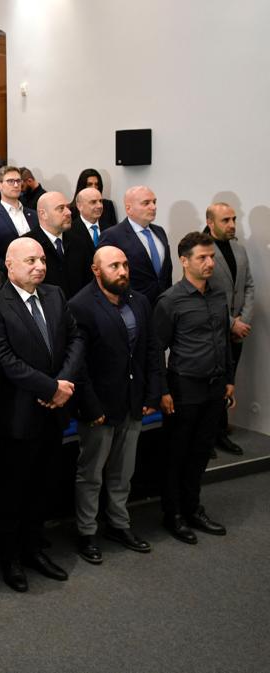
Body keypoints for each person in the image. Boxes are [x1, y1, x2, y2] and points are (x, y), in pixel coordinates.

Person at [0, 237, 84, 592]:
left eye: (42, 260)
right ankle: (10, 559)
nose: (40, 266)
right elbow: (4, 359)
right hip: (16, 416)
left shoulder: (55, 294)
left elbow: (75, 339)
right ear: (9, 265)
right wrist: (50, 388)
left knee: (43, 486)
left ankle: (34, 549)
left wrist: (63, 383)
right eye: (31, 261)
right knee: (11, 491)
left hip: (54, 412)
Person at [68, 245, 163, 564]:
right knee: (91, 474)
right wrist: (91, 407)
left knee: (124, 471)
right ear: (96, 271)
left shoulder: (139, 301)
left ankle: (119, 525)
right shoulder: (80, 305)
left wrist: (152, 393)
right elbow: (79, 365)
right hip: (99, 407)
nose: (122, 271)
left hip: (133, 401)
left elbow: (151, 350)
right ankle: (87, 532)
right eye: (114, 266)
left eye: (125, 265)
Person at [155, 232, 234, 544]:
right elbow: (156, 350)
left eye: (211, 256)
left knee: (201, 453)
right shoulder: (170, 300)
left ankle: (193, 508)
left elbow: (224, 341)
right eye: (202, 257)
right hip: (184, 387)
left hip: (215, 387)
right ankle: (173, 514)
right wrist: (162, 391)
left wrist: (229, 380)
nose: (210, 262)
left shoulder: (218, 295)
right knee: (177, 454)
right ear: (184, 261)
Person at [204, 202, 254, 456]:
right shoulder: (202, 250)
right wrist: (232, 322)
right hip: (212, 328)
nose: (232, 224)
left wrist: (242, 320)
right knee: (210, 384)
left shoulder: (239, 249)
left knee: (228, 382)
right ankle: (207, 436)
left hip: (237, 330)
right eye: (225, 220)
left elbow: (249, 286)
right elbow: (203, 293)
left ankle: (220, 432)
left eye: (233, 219)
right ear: (210, 222)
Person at [97, 185, 172, 307]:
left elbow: (166, 272)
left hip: (164, 305)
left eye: (154, 202)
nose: (153, 207)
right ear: (129, 209)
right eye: (146, 203)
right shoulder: (112, 235)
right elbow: (106, 276)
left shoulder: (160, 232)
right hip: (131, 306)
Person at [21, 191, 93, 298]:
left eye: (67, 207)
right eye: (61, 208)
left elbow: (89, 282)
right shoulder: (26, 245)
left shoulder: (79, 241)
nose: (69, 212)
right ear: (43, 214)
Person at [0, 166, 38, 267]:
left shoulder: (33, 215)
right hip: (7, 272)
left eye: (18, 181)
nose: (16, 185)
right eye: (10, 181)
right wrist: (13, 270)